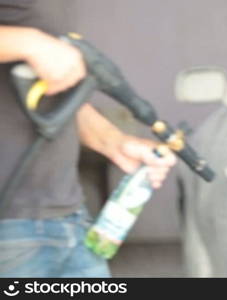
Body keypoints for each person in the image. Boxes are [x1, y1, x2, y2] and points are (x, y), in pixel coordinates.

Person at [0, 1, 177, 277]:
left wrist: (114, 142)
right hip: (11, 226)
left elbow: (55, 97)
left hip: (68, 217)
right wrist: (29, 42)